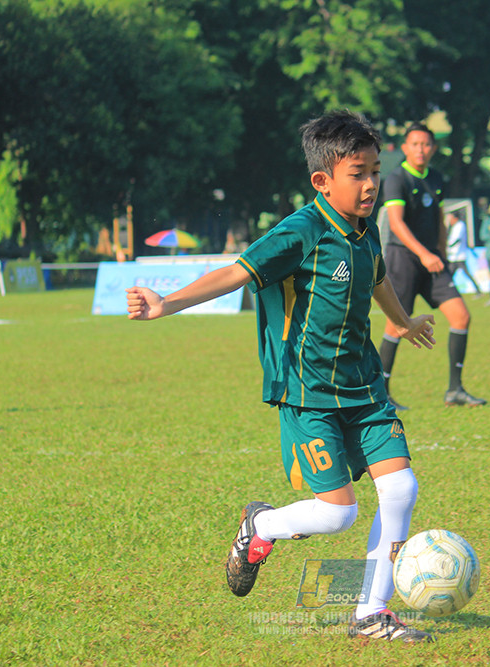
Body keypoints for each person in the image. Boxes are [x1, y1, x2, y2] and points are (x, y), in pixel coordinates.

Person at [126, 111, 436, 643]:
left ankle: (371, 612)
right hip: (308, 393)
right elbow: (236, 272)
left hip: (364, 388)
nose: (370, 184)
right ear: (322, 180)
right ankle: (261, 525)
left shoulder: (365, 232)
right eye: (357, 174)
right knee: (338, 516)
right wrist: (166, 304)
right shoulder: (301, 231)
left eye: (374, 172)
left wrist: (403, 323)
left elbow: (378, 277)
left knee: (401, 488)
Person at [378, 123, 485, 409]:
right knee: (396, 325)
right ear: (405, 148)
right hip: (404, 259)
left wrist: (441, 251)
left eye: (426, 144)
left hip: (433, 259)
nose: (421, 150)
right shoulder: (396, 179)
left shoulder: (436, 178)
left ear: (433, 148)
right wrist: (424, 254)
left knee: (461, 316)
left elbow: (439, 219)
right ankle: (381, 395)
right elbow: (396, 224)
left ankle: (455, 390)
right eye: (415, 144)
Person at [444, 211, 481, 295]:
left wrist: (448, 245)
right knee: (449, 275)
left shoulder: (460, 225)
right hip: (453, 257)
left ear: (455, 218)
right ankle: (447, 290)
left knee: (464, 274)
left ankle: (478, 290)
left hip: (459, 256)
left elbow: (456, 239)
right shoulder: (454, 227)